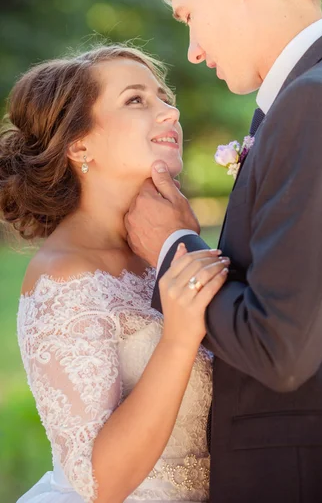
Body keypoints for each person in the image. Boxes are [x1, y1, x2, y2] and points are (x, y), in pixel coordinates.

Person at [125, 0, 322, 502]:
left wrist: (173, 246)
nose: (193, 49)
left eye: (190, 15)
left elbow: (279, 347)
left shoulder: (318, 103)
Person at [0, 45, 230, 502]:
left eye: (164, 97)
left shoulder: (165, 244)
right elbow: (98, 483)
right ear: (80, 145)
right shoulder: (64, 275)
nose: (170, 110)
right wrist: (179, 339)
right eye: (136, 100)